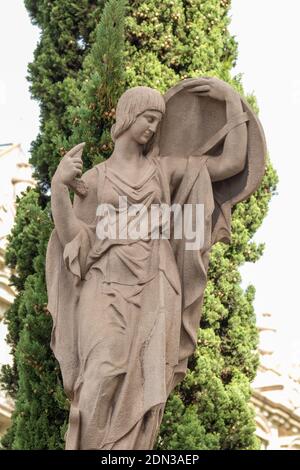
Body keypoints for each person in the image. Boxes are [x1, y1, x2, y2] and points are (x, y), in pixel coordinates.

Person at [46, 77, 263, 449]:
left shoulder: (166, 170)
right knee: (102, 370)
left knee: (147, 384)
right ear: (128, 117)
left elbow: (230, 163)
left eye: (156, 121)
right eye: (146, 118)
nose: (151, 127)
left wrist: (230, 103)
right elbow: (72, 238)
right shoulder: (96, 179)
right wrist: (59, 188)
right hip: (106, 282)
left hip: (156, 281)